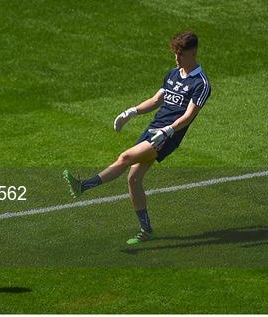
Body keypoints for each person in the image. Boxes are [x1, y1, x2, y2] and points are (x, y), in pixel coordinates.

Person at [63, 31, 211, 245]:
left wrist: (168, 131)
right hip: (153, 129)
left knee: (124, 157)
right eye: (175, 54)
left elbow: (189, 116)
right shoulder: (173, 74)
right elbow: (155, 100)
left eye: (181, 54)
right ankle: (146, 230)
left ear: (193, 53)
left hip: (168, 136)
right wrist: (131, 112)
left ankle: (83, 186)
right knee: (133, 179)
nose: (176, 58)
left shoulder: (201, 83)